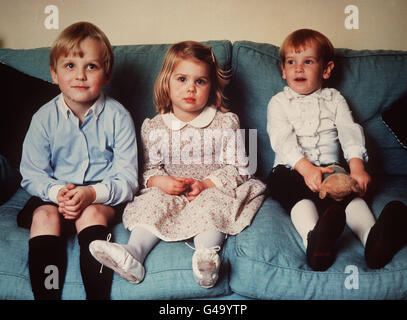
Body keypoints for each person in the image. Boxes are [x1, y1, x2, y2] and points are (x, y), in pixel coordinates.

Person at [90, 41, 266, 288]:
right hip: (170, 190)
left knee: (212, 206)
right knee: (151, 203)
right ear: (167, 83)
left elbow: (239, 169)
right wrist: (160, 181)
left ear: (211, 86)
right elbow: (147, 169)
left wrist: (206, 184)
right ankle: (133, 254)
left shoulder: (226, 123)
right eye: (182, 79)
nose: (190, 88)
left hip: (211, 189)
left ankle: (207, 257)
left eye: (200, 81)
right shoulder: (154, 127)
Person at [266, 29, 407, 271]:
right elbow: (282, 140)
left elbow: (349, 130)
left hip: (332, 168)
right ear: (283, 70)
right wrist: (307, 169)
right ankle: (315, 240)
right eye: (291, 62)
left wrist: (356, 167)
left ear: (326, 69)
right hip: (291, 168)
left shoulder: (334, 98)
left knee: (350, 195)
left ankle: (373, 240)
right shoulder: (278, 102)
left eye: (307, 61)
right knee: (295, 193)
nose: (298, 68)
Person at [17, 22, 139, 299]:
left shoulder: (118, 116)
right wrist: (57, 193)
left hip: (100, 194)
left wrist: (91, 193)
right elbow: (32, 173)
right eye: (70, 66)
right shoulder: (44, 118)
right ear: (54, 74)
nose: (80, 75)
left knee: (92, 213)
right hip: (56, 194)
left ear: (107, 75)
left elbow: (128, 179)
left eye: (91, 66)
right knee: (43, 215)